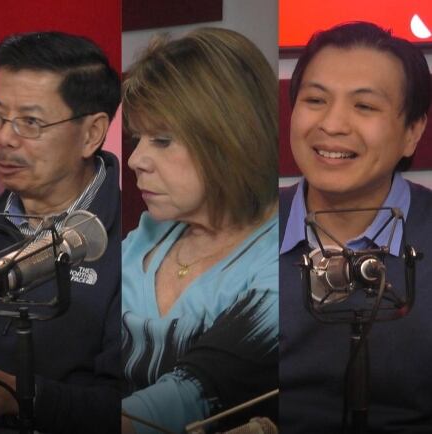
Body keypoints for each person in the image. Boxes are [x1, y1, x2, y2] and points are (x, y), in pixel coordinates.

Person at [120, 28, 279, 434]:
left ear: (229, 140)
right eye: (138, 138)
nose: (136, 159)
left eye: (163, 140)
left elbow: (185, 398)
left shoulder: (281, 262)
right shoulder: (145, 234)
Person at [0, 32, 121, 433]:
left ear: (91, 133)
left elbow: (138, 408)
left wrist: (19, 395)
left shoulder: (134, 237)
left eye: (30, 122)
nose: (3, 139)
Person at [279, 22, 432, 433]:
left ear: (412, 131)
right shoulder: (245, 225)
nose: (333, 124)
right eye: (315, 100)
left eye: (364, 107)